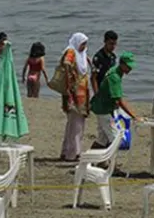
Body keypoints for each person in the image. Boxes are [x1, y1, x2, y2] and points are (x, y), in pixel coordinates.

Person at [90, 52, 143, 148]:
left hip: (104, 107)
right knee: (115, 140)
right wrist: (134, 116)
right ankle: (110, 163)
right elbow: (119, 100)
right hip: (103, 109)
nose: (130, 69)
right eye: (128, 66)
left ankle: (93, 160)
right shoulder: (114, 76)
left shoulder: (115, 71)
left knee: (102, 139)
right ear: (122, 64)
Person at [60, 33, 92, 161]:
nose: (84, 47)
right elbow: (66, 62)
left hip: (82, 94)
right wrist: (70, 79)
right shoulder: (71, 51)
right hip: (73, 94)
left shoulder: (81, 56)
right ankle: (73, 153)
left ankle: (67, 151)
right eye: (82, 44)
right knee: (76, 123)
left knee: (74, 123)